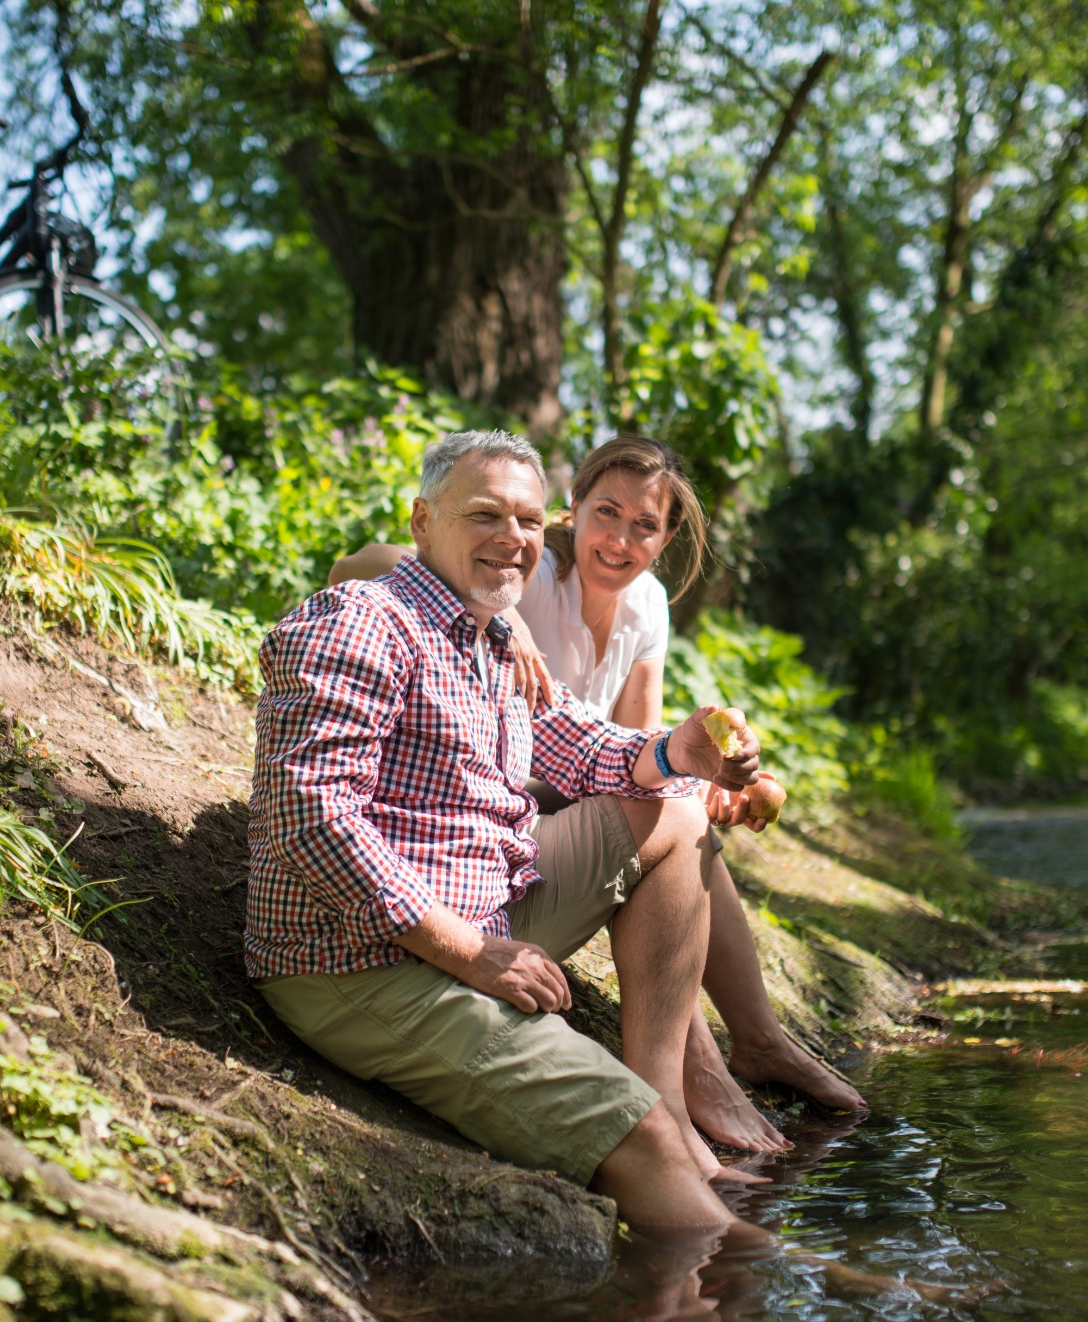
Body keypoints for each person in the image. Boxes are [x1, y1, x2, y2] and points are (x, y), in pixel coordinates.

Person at [247, 429, 768, 1228]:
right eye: (485, 515)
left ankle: (675, 1093)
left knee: (673, 810)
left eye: (526, 520)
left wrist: (678, 752)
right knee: (643, 1136)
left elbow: (581, 747)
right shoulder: (360, 621)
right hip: (360, 961)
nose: (513, 538)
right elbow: (310, 818)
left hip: (480, 905)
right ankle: (773, 1264)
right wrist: (471, 953)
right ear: (423, 523)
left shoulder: (490, 636)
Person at [330, 436, 865, 1153]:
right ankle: (708, 1069)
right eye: (606, 513)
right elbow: (358, 564)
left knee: (680, 820)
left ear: (666, 539)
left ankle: (756, 1041)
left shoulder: (647, 605)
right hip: (495, 805)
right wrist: (506, 616)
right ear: (572, 508)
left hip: (572, 792)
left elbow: (639, 747)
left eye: (645, 526)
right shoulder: (523, 569)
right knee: (664, 827)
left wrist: (707, 781)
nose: (620, 540)